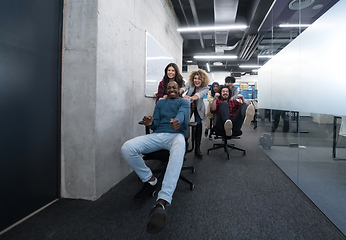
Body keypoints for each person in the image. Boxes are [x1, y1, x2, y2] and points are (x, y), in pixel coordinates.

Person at [121, 81, 190, 234]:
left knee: (178, 149)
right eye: (169, 87)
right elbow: (155, 123)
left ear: (179, 90)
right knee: (127, 148)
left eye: (174, 87)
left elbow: (182, 115)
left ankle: (162, 202)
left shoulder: (184, 102)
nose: (172, 89)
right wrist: (151, 122)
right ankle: (150, 179)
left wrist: (177, 122)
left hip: (176, 136)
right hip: (158, 135)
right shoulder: (160, 103)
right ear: (166, 90)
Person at [182, 69, 210, 157]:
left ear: (203, 80)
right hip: (188, 106)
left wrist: (190, 98)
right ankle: (185, 144)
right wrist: (179, 93)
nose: (196, 80)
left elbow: (199, 95)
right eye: (195, 78)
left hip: (198, 107)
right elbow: (183, 88)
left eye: (199, 79)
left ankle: (197, 147)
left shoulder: (205, 88)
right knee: (185, 124)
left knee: (198, 125)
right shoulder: (190, 83)